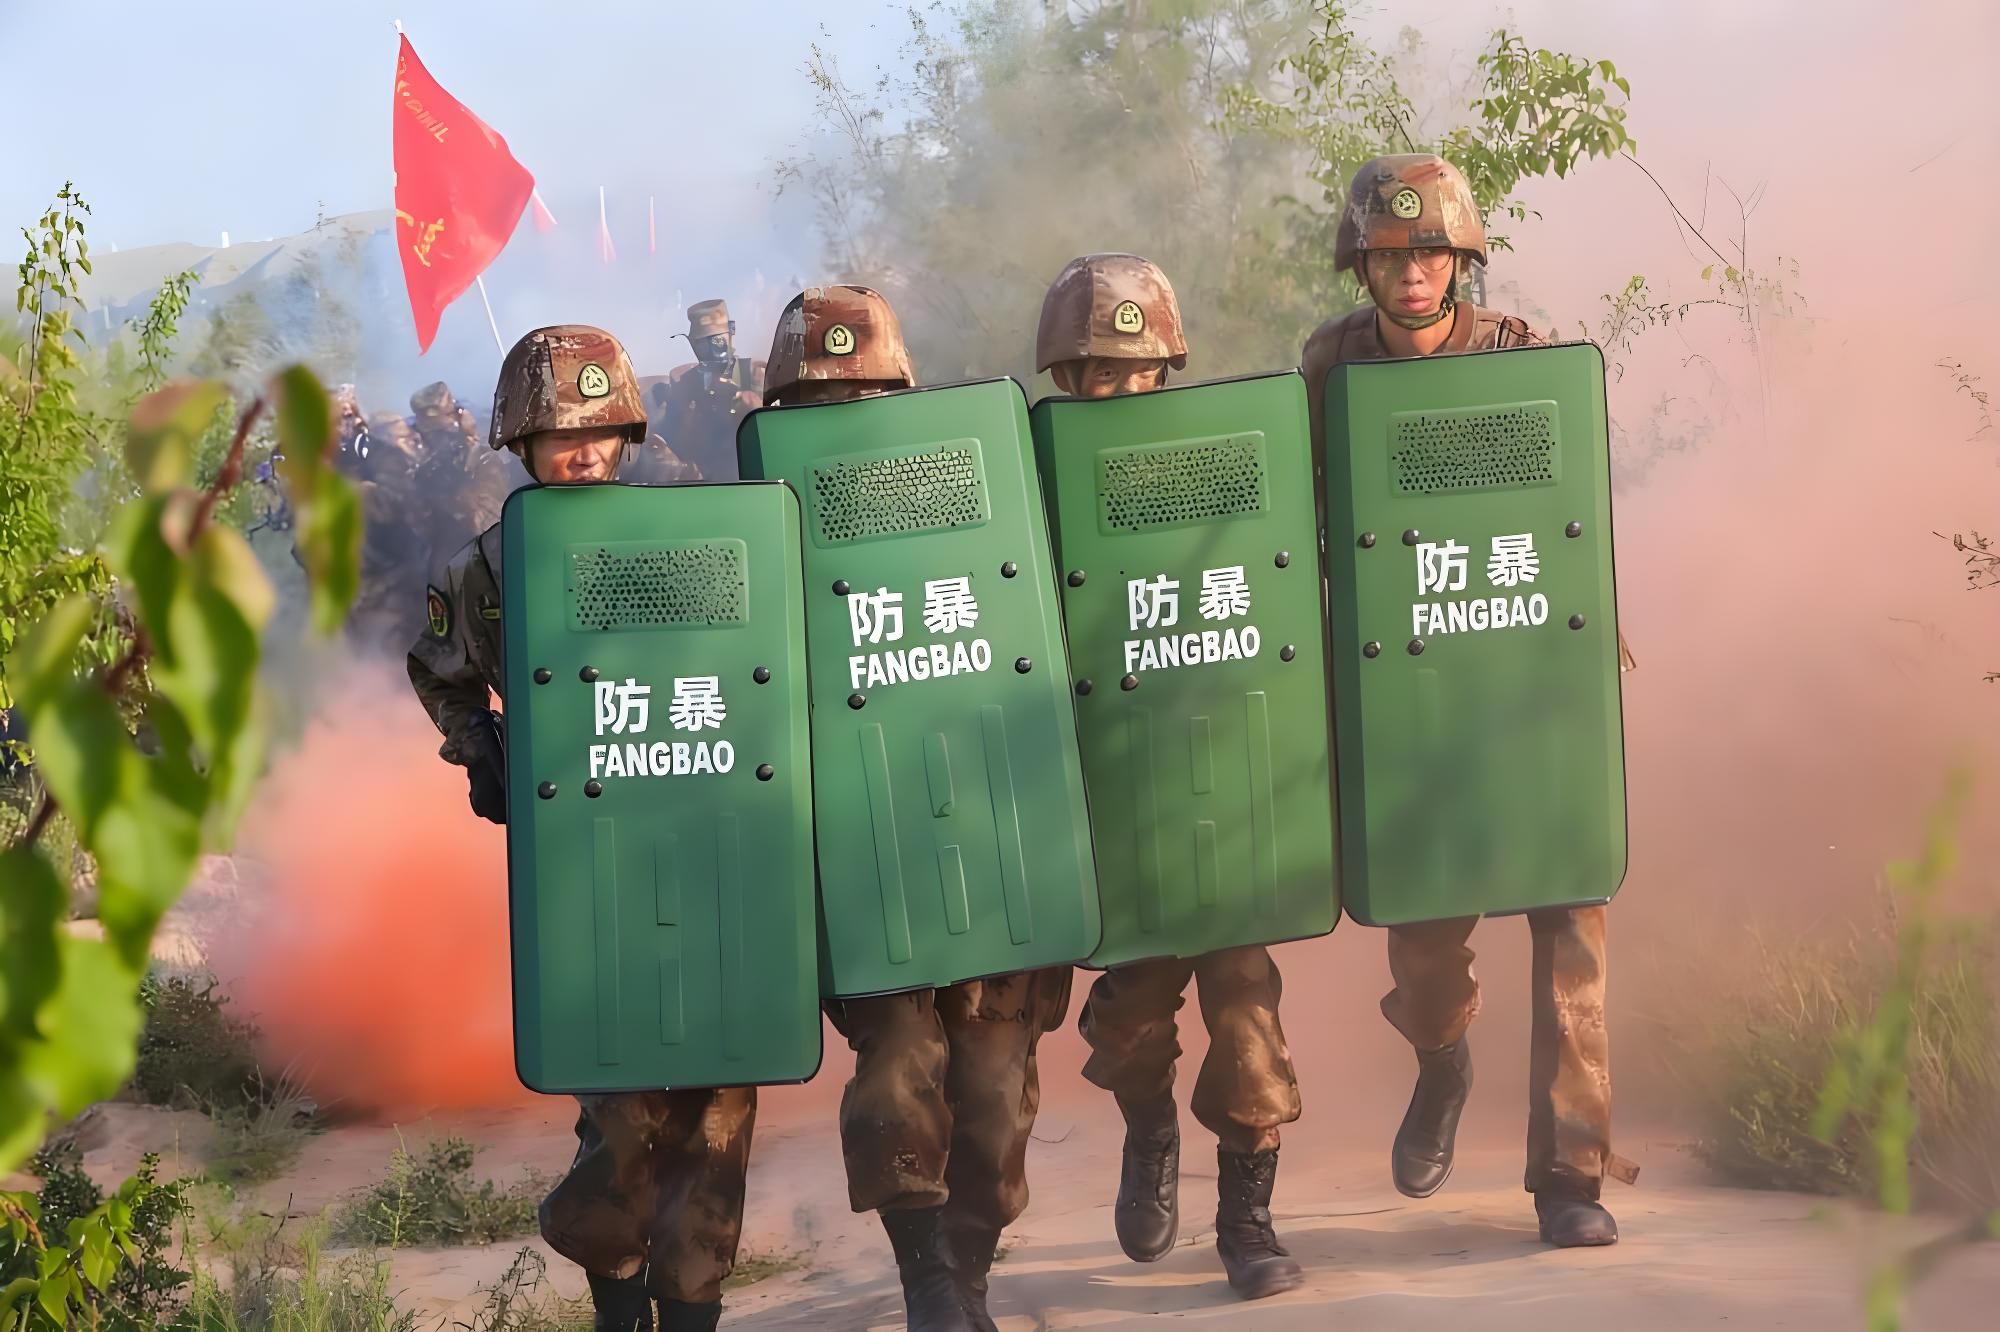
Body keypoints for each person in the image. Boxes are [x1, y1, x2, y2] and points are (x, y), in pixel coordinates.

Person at [1300, 153, 1636, 1249]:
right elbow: (1300, 519)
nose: (1413, 272)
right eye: (1391, 255)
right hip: (1410, 683)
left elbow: (1569, 505)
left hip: (1525, 668)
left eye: (1433, 252)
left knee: (1570, 915)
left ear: (1462, 262)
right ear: (1361, 266)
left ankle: (1570, 1179)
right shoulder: (1330, 364)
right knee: (1424, 940)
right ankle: (1441, 1063)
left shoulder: (1519, 355)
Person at [406, 325, 756, 1332]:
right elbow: (436, 668)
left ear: (627, 434)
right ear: (521, 444)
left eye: (598, 431)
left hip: (701, 839)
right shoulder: (489, 566)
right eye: (558, 435)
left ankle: (691, 1310)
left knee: (717, 1107)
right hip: (584, 862)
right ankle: (616, 1297)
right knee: (620, 1107)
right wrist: (480, 744)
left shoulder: (695, 535)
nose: (581, 451)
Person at [765, 285, 1067, 1332]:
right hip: (865, 863)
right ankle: (928, 1285)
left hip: (989, 848)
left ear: (898, 394)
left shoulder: (982, 499)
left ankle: (967, 1269)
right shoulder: (762, 529)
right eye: (814, 401)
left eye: (858, 395)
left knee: (993, 1101)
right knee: (897, 1079)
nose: (838, 417)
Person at [1036, 253, 1307, 1301]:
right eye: (1094, 374)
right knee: (1131, 1020)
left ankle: (1247, 1221)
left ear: (1165, 371)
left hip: (1227, 787)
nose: (1114, 390)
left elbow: (1277, 588)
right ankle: (1148, 1128)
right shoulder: (1043, 482)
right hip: (1120, 799)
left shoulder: (1222, 466)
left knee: (1247, 1021)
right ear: (1065, 378)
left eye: (1132, 370)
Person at [647, 299, 766, 481]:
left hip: (754, 481)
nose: (711, 349)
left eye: (717, 339)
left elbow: (777, 437)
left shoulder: (755, 377)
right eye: (702, 342)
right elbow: (665, 442)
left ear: (731, 332)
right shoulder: (684, 385)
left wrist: (753, 412)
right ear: (693, 344)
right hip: (701, 486)